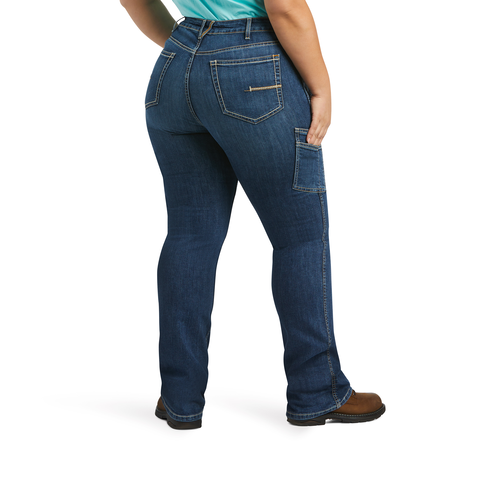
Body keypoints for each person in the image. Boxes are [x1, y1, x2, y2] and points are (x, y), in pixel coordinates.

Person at [120, 0, 386, 429]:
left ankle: (179, 398)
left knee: (190, 235)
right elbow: (285, 7)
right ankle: (317, 391)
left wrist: (188, 44)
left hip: (175, 69)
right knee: (300, 237)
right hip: (253, 67)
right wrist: (321, 87)